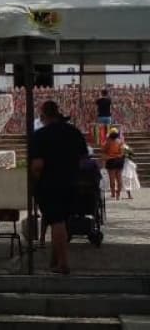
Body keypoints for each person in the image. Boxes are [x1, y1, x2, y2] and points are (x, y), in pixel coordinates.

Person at [29, 101, 88, 275]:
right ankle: (54, 261)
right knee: (60, 221)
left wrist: (35, 181)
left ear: (43, 115)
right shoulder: (74, 132)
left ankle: (63, 263)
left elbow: (37, 165)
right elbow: (84, 159)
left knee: (56, 222)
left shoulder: (40, 136)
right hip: (72, 182)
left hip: (50, 183)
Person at [102, 128, 126, 200]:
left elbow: (103, 150)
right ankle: (118, 194)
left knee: (112, 179)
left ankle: (113, 193)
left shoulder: (108, 142)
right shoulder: (120, 142)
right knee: (119, 178)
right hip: (119, 161)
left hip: (111, 161)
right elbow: (122, 153)